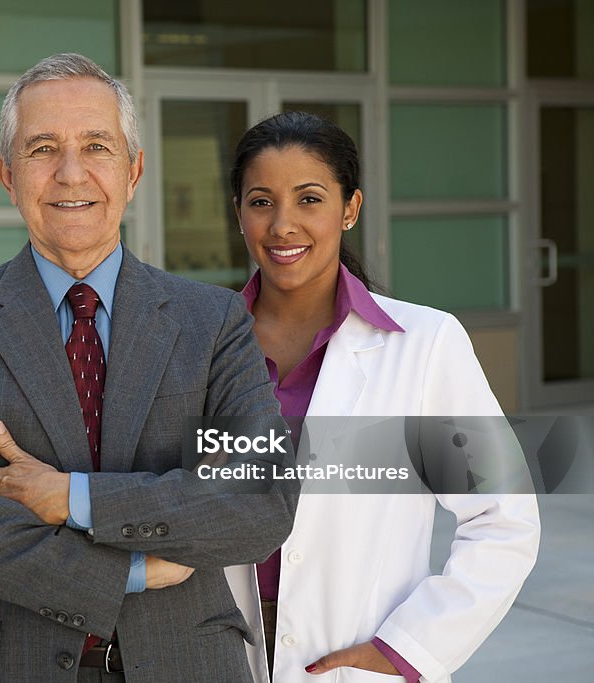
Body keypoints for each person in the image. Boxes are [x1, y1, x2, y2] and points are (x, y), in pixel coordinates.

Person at [0, 53, 298, 682]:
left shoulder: (212, 323)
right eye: (43, 148)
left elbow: (259, 499)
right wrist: (131, 569)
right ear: (7, 174)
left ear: (133, 170)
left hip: (185, 661)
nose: (71, 173)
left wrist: (70, 498)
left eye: (97, 146)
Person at [224, 111, 540, 683]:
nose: (283, 225)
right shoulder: (201, 344)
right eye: (261, 201)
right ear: (239, 212)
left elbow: (503, 517)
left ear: (350, 209)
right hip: (217, 654)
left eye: (310, 199)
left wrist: (407, 649)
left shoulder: (425, 344)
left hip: (350, 659)